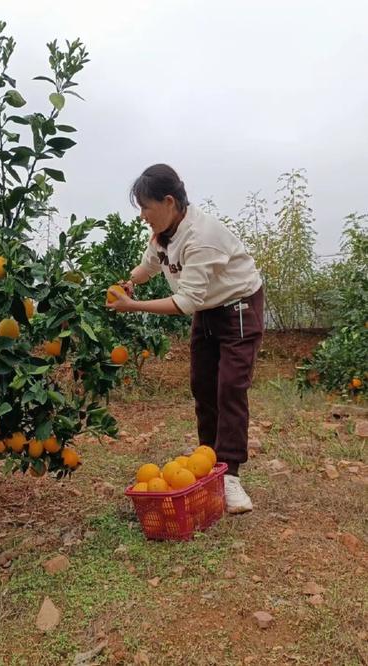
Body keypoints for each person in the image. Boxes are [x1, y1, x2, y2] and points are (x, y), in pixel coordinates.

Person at [106, 163, 264, 514]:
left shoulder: (201, 236)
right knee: (203, 385)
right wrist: (130, 282)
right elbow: (147, 267)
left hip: (238, 306)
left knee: (230, 387)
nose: (143, 215)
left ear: (168, 201)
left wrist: (133, 305)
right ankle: (210, 464)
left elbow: (186, 301)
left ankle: (231, 475)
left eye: (146, 207)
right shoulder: (162, 233)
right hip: (208, 308)